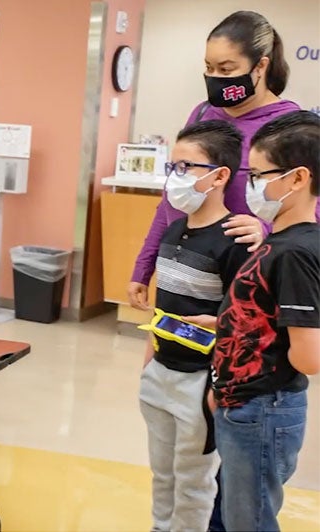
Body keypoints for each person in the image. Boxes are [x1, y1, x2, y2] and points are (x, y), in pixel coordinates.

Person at [128, 11, 320, 312]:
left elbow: (312, 212)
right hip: (186, 274)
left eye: (227, 69)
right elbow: (171, 199)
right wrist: (145, 266)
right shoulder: (203, 114)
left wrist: (267, 230)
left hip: (248, 280)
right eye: (209, 67)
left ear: (260, 66)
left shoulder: (290, 126)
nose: (215, 77)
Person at [139, 120, 250, 531]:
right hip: (159, 375)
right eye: (172, 167)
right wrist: (149, 360)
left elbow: (245, 322)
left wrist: (219, 387)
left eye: (186, 168)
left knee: (194, 483)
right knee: (162, 474)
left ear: (220, 175)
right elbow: (163, 309)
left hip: (200, 382)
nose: (176, 178)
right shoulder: (173, 230)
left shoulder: (235, 241)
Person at [212, 111, 320, 531]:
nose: (250, 186)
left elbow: (308, 356)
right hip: (243, 403)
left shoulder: (295, 253)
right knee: (236, 513)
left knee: (250, 521)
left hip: (264, 408)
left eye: (259, 175)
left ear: (297, 179)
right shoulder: (277, 241)